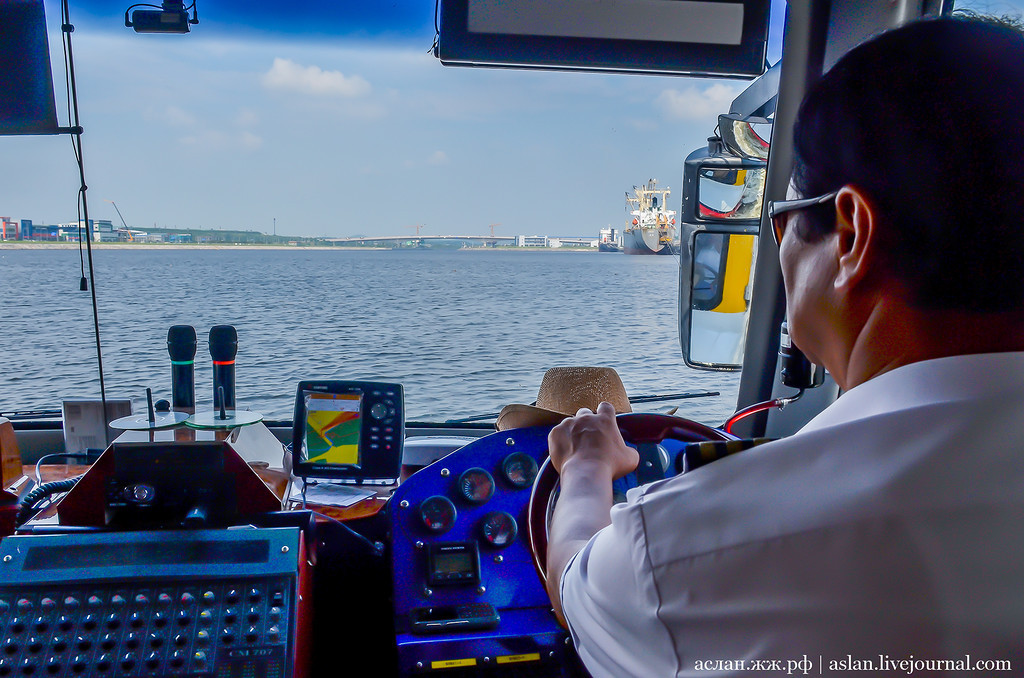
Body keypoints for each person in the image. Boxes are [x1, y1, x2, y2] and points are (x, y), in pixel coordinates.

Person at [545, 16, 1024, 677]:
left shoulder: (688, 553)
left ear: (851, 235)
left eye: (783, 218)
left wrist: (586, 469)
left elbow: (576, 582)